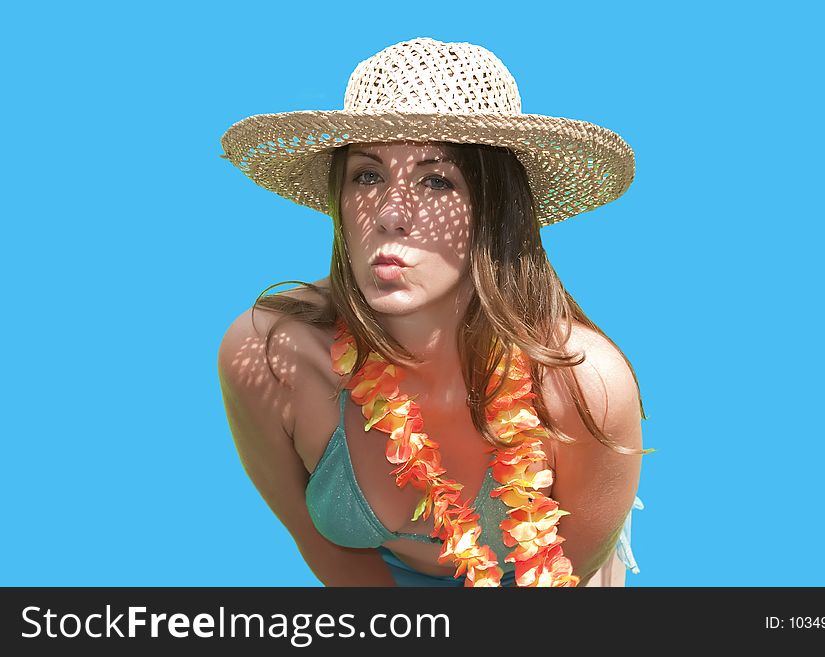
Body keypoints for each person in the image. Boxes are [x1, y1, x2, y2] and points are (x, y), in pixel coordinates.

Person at [217, 37, 653, 587]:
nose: (391, 214)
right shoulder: (270, 356)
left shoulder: (586, 385)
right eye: (367, 175)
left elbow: (568, 582)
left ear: (496, 209)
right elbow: (326, 552)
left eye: (437, 180)